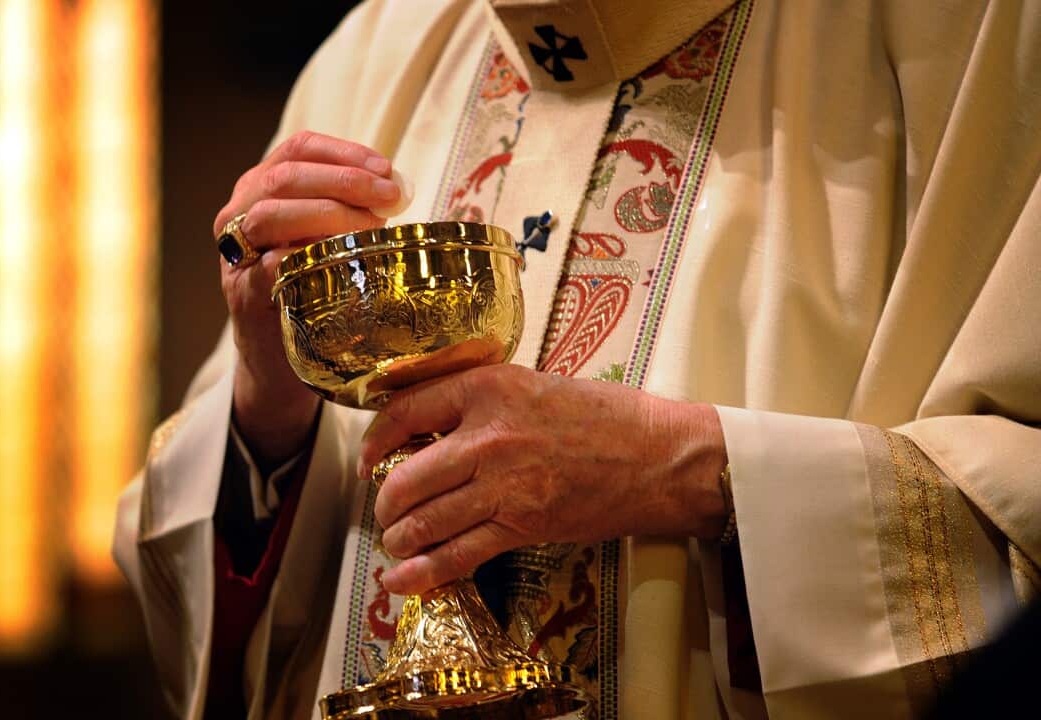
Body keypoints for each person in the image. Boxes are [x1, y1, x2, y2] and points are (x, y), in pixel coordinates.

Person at [114, 1, 1040, 718]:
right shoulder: (381, 45)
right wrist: (268, 401)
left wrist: (702, 475)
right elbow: (199, 620)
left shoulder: (968, 34)